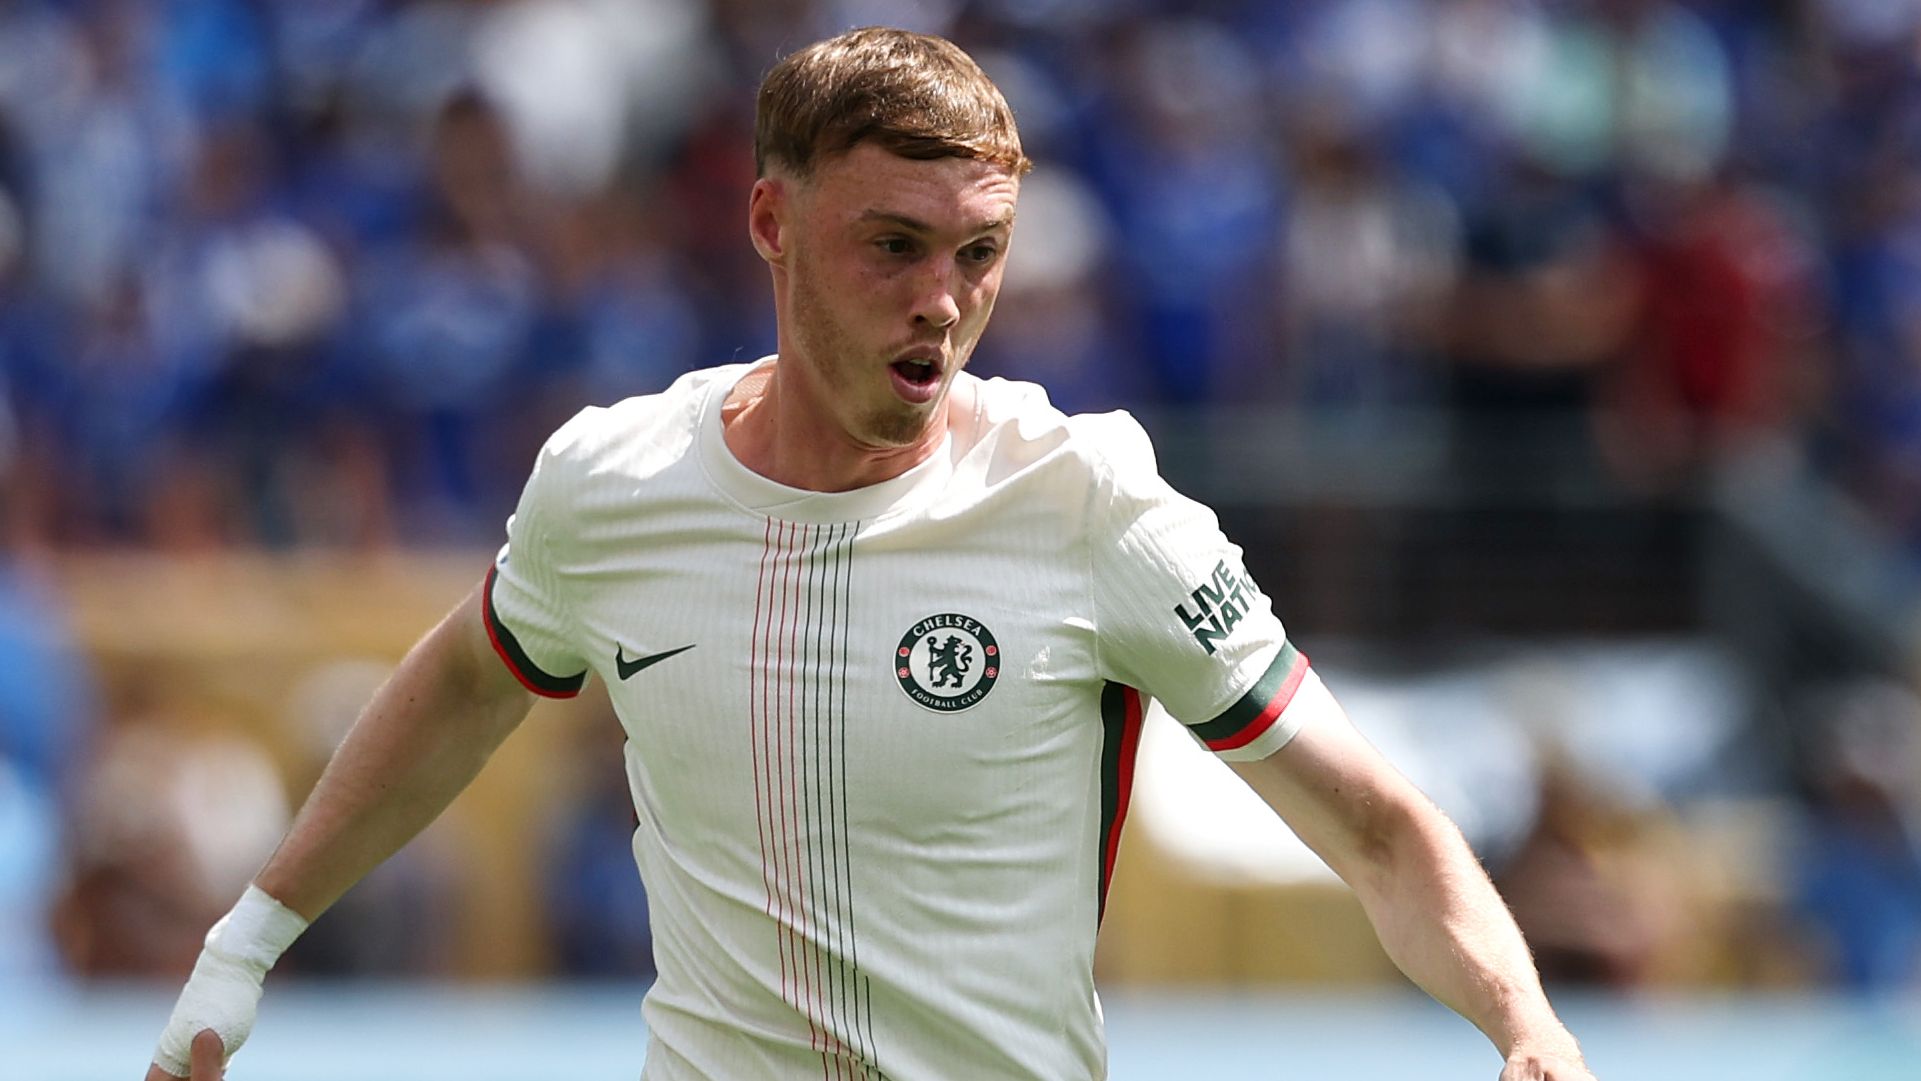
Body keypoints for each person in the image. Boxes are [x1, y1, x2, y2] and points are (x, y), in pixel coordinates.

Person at [147, 27, 1597, 1081]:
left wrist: (1521, 1023)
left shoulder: (1087, 501)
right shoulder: (613, 482)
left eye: (979, 253)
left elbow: (1373, 823)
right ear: (772, 223)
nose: (944, 301)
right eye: (892, 246)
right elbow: (467, 679)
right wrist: (246, 941)